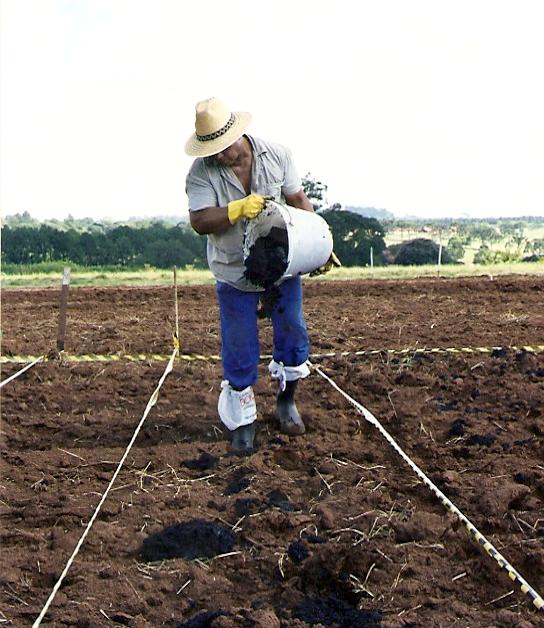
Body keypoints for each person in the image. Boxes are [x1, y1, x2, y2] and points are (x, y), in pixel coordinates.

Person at [185, 97, 314, 456]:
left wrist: (320, 239)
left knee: (291, 328)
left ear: (236, 136)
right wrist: (235, 210)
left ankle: (287, 402)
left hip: (281, 265)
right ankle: (243, 422)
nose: (217, 156)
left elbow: (298, 200)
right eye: (210, 149)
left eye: (221, 148)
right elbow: (199, 221)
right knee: (239, 345)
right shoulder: (201, 173)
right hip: (233, 270)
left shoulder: (278, 155)